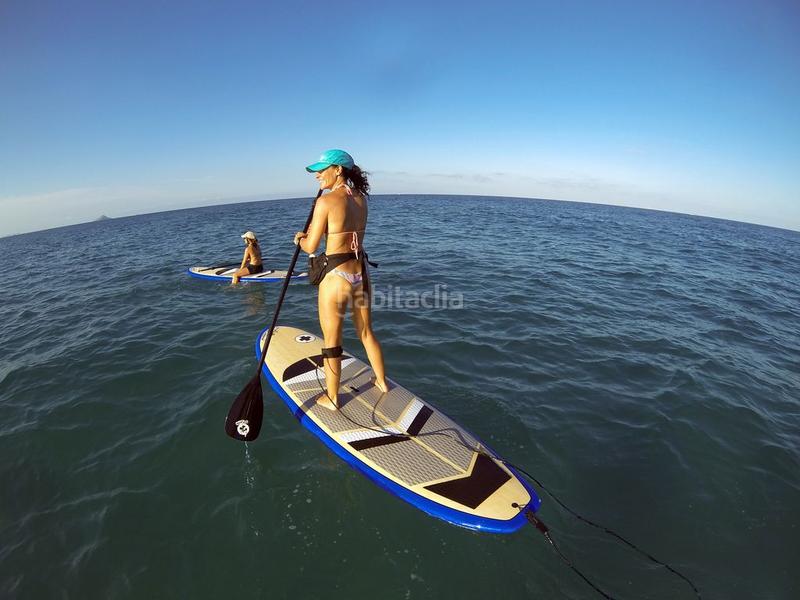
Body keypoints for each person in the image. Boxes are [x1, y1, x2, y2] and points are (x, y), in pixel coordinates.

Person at [294, 149, 389, 410]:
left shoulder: (325, 201)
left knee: (332, 340)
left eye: (322, 170)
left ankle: (333, 397)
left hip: (336, 277)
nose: (317, 176)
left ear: (338, 170)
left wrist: (300, 238)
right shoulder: (361, 199)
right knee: (366, 332)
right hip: (361, 273)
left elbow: (312, 245)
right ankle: (381, 381)